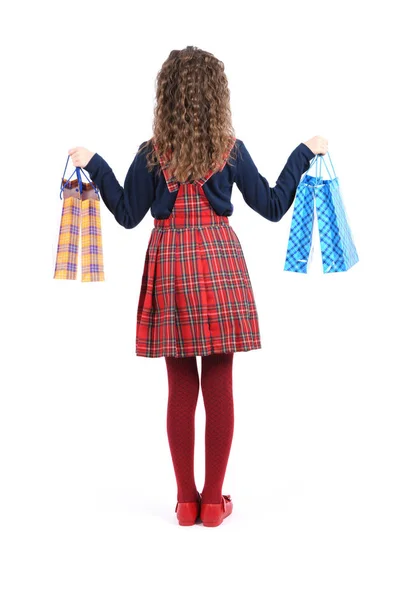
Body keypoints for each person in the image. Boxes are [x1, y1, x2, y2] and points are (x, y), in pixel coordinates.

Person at [68, 45, 328, 528]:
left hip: (170, 267)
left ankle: (186, 502)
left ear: (165, 97)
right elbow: (271, 204)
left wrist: (96, 163)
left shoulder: (152, 154)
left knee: (180, 386)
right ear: (217, 97)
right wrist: (303, 155)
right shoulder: (230, 149)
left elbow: (127, 215)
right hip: (219, 266)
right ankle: (213, 503)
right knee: (220, 384)